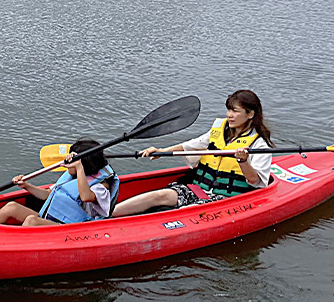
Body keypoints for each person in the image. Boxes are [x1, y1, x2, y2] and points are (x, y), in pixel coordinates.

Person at [112, 90, 274, 217]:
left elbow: (255, 180)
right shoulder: (218, 130)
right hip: (199, 189)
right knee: (159, 195)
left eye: (235, 111)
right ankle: (106, 216)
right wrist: (162, 151)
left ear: (250, 114)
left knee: (185, 211)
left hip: (225, 200)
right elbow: (191, 145)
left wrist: (243, 161)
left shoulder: (259, 145)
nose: (229, 115)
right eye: (228, 110)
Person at [0, 139, 119, 226]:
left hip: (70, 229)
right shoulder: (71, 176)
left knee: (31, 221)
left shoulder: (100, 187)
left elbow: (85, 196)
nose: (66, 162)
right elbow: (47, 194)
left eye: (71, 160)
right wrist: (26, 185)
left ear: (84, 165)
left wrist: (78, 168)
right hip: (50, 220)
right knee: (12, 207)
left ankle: (8, 247)